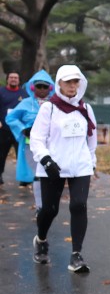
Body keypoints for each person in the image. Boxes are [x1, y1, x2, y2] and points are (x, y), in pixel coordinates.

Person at [29, 64, 98, 272]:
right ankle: (41, 239)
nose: (72, 85)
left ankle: (76, 255)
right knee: (49, 210)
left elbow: (91, 139)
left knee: (79, 205)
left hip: (80, 166)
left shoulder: (85, 109)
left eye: (76, 81)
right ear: (59, 83)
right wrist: (45, 159)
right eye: (68, 81)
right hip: (53, 166)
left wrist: (91, 161)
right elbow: (36, 138)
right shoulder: (49, 108)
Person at [5, 70, 54, 209]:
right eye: (39, 86)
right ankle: (40, 207)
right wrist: (23, 129)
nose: (42, 89)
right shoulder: (26, 103)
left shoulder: (55, 104)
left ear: (50, 88)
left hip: (52, 145)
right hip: (30, 146)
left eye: (45, 86)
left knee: (51, 174)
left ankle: (49, 205)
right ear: (33, 87)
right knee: (38, 174)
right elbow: (11, 118)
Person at [0, 71, 26, 184]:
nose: (13, 79)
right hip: (3, 129)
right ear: (7, 79)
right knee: (1, 154)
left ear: (19, 80)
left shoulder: (24, 94)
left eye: (16, 77)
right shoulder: (1, 92)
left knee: (22, 155)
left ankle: (24, 178)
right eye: (11, 77)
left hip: (19, 130)